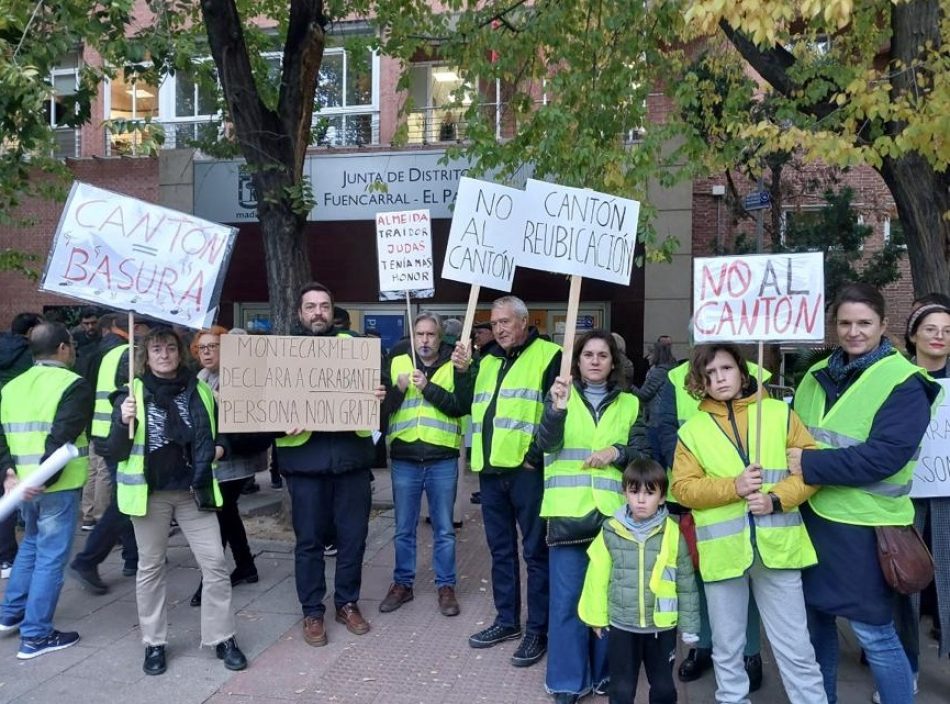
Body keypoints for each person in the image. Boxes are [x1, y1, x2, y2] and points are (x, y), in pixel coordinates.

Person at [790, 283, 941, 704]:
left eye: (864, 323)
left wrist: (810, 465)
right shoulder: (814, 379)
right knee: (816, 624)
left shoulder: (906, 382)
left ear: (883, 325)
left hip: (866, 528)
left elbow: (884, 458)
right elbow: (793, 435)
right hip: (815, 521)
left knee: (875, 634)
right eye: (845, 323)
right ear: (834, 326)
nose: (854, 331)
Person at [672, 342, 827, 704]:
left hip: (778, 548)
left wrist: (776, 499)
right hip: (724, 553)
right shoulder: (692, 430)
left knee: (796, 649)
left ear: (743, 373)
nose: (718, 378)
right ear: (701, 382)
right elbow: (682, 489)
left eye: (725, 369)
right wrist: (734, 487)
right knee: (727, 650)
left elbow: (813, 467)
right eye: (709, 374)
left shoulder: (777, 413)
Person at [109, 326, 247, 675]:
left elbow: (222, 432)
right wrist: (121, 421)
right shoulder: (130, 394)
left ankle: (222, 637)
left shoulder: (199, 388)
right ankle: (154, 643)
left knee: (215, 563)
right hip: (149, 495)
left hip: (193, 492)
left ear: (180, 352)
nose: (164, 355)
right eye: (156, 349)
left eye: (170, 348)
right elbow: (113, 450)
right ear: (146, 355)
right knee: (150, 568)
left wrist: (220, 448)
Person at [536, 329, 652, 702]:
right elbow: (545, 444)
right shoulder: (558, 397)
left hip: (615, 518)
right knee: (567, 603)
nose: (596, 360)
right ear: (578, 360)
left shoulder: (631, 404)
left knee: (610, 601)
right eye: (589, 354)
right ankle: (568, 681)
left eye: (603, 355)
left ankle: (607, 675)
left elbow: (644, 454)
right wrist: (555, 410)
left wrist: (617, 452)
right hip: (568, 514)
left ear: (613, 362)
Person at [653, 331, 769, 689]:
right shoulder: (676, 377)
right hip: (696, 494)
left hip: (750, 494)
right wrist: (701, 465)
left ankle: (749, 652)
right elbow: (664, 430)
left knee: (746, 575)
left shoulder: (757, 374)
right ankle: (702, 647)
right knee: (702, 576)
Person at [451, 295, 560, 667]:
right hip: (491, 471)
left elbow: (556, 411)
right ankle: (508, 621)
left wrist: (533, 457)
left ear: (525, 321)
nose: (498, 329)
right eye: (494, 324)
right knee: (500, 551)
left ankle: (537, 630)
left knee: (535, 553)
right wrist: (463, 372)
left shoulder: (550, 355)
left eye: (505, 322)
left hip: (527, 472)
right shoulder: (487, 359)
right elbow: (466, 404)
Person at [275, 282, 378, 647]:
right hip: (304, 465)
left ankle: (347, 603)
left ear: (332, 311)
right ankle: (312, 611)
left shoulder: (356, 347)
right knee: (309, 543)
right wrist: (280, 420)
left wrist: (378, 394)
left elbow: (378, 398)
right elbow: (262, 407)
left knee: (353, 540)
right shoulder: (280, 352)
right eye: (310, 307)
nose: (318, 312)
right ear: (299, 313)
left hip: (350, 462)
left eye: (324, 305)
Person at [0, 322, 93, 659]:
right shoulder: (74, 384)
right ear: (64, 348)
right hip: (56, 486)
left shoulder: (12, 386)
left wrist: (10, 476)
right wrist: (41, 481)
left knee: (31, 548)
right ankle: (36, 635)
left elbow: (3, 437)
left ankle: (9, 615)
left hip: (22, 486)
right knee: (51, 559)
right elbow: (61, 438)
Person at [579, 458, 700, 704]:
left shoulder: (672, 533)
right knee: (621, 690)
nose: (641, 500)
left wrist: (689, 625)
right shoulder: (611, 530)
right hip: (623, 626)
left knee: (664, 689)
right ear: (625, 493)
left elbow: (686, 583)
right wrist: (596, 617)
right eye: (634, 492)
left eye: (649, 493)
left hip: (662, 628)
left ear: (663, 497)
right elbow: (597, 576)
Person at [379, 311, 472, 617]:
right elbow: (382, 412)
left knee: (444, 529)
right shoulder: (396, 360)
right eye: (420, 334)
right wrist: (399, 389)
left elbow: (460, 407)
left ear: (440, 336)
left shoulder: (454, 363)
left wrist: (428, 387)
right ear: (412, 335)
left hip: (442, 458)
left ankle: (445, 586)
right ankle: (402, 584)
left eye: (431, 334)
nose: (425, 340)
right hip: (405, 458)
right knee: (403, 528)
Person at [881, 301, 950, 704]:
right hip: (902, 497)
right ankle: (904, 669)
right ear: (912, 335)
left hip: (948, 495)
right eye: (930, 328)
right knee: (901, 580)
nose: (939, 335)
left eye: (947, 329)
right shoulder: (894, 379)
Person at [188, 326, 269, 607]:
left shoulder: (241, 376)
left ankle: (210, 580)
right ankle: (246, 565)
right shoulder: (202, 379)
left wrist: (223, 402)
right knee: (228, 512)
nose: (207, 352)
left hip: (237, 459)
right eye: (202, 348)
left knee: (219, 515)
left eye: (213, 347)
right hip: (219, 460)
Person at [68, 314, 143, 593]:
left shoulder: (96, 351)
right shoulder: (129, 354)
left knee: (126, 495)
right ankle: (88, 560)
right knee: (124, 501)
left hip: (100, 433)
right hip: (121, 436)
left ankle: (134, 557)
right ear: (133, 328)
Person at [0, 312, 44, 580]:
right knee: (10, 493)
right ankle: (8, 556)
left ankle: (4, 558)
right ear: (30, 333)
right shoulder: (29, 357)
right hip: (14, 428)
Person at [632, 337, 677, 461]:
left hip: (655, 421)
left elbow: (644, 395)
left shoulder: (658, 372)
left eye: (650, 353)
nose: (647, 357)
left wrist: (628, 386)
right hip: (664, 419)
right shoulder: (671, 369)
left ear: (657, 355)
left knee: (656, 458)